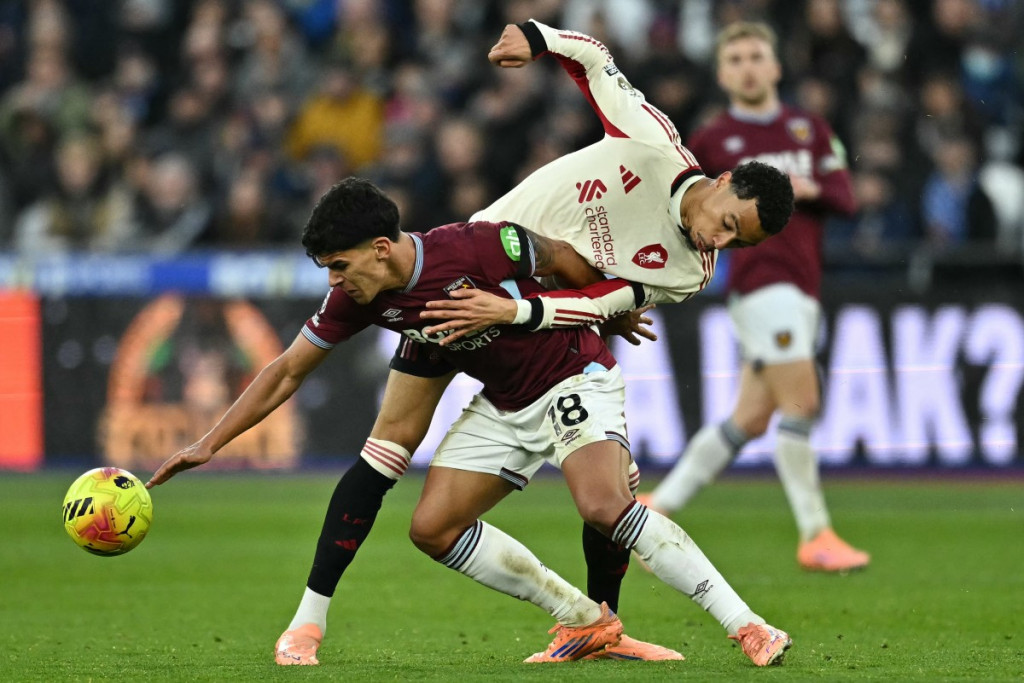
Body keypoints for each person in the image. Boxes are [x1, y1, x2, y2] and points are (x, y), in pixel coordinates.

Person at [265, 20, 794, 665]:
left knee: (603, 501)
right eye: (729, 223)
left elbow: (597, 302)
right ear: (724, 180)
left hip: (531, 325)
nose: (722, 241)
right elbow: (596, 60)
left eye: (739, 242)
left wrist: (515, 309)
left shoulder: (688, 271)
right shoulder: (654, 143)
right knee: (403, 479)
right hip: (472, 272)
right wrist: (534, 37)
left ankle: (734, 625)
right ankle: (585, 617)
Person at [147, 177, 792, 667]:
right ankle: (582, 617)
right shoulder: (359, 297)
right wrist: (208, 443)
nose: (336, 282)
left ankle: (748, 625)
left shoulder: (480, 245)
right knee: (431, 528)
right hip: (504, 405)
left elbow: (562, 258)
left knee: (602, 506)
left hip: (573, 375)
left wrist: (611, 311)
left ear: (379, 250)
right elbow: (287, 370)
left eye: (340, 266)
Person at [640, 21, 866, 573]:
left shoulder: (807, 128)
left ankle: (657, 506)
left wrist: (805, 189)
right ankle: (815, 534)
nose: (746, 66)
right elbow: (684, 206)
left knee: (750, 418)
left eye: (755, 56)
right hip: (762, 285)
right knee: (802, 403)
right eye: (735, 58)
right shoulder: (715, 140)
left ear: (775, 66)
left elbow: (845, 195)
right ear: (722, 73)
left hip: (802, 283)